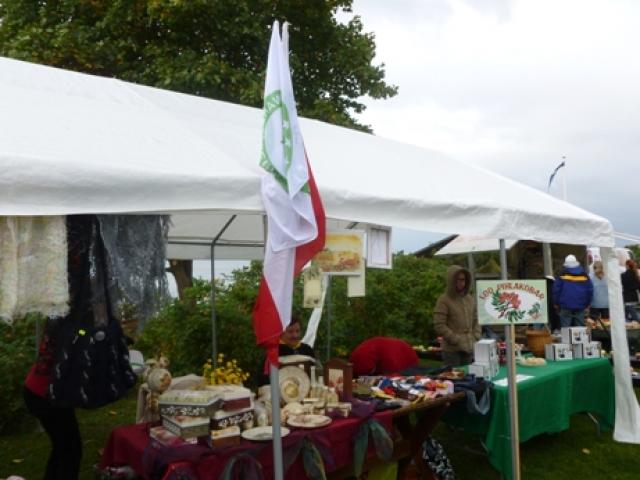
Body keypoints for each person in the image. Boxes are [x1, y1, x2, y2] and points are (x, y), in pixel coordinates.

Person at [23, 319, 82, 480]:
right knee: (71, 450)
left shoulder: (58, 318)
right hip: (47, 395)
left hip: (37, 390)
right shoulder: (70, 326)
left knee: (62, 447)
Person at [433, 265, 480, 366]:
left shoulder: (470, 299)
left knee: (468, 374)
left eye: (463, 280)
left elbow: (476, 319)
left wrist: (476, 335)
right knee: (454, 375)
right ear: (451, 281)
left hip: (469, 347)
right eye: (458, 280)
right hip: (452, 351)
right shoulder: (444, 300)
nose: (461, 283)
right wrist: (454, 338)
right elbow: (439, 324)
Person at [553, 254, 593, 327]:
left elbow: (556, 290)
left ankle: (566, 335)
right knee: (580, 328)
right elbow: (589, 290)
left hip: (565, 305)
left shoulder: (562, 274)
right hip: (580, 305)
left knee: (566, 328)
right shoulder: (584, 275)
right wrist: (587, 304)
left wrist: (556, 303)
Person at [349, 337, 419, 376]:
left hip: (406, 357)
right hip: (399, 351)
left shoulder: (388, 360)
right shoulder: (362, 355)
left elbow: (392, 373)